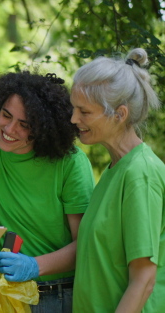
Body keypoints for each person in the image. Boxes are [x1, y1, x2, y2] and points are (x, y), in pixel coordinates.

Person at [0, 71, 95, 312]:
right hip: (4, 293)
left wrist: (35, 266)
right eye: (6, 115)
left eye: (24, 125)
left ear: (44, 129)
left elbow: (87, 245)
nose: (9, 128)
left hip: (58, 295)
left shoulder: (70, 163)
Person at [70, 48, 164, 312]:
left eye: (84, 112)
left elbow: (144, 280)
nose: (73, 119)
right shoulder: (116, 170)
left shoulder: (140, 174)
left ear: (119, 114)